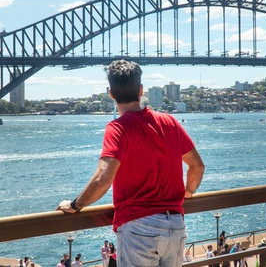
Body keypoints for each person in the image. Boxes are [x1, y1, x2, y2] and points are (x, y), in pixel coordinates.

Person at [56, 59, 205, 267]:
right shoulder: (169, 122)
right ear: (141, 90)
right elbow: (197, 166)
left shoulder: (117, 128)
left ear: (111, 93)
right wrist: (189, 191)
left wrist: (74, 204)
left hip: (139, 229)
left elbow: (102, 178)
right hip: (175, 226)